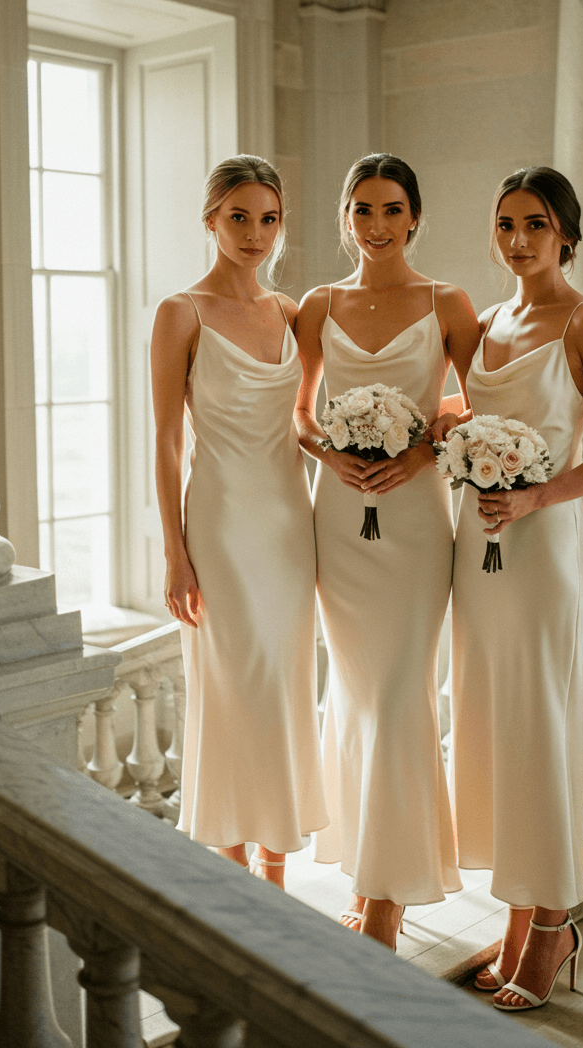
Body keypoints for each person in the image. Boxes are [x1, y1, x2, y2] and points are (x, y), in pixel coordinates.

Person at [441, 166, 583, 1010]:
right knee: (493, 730)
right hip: (474, 552)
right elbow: (460, 410)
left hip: (543, 546)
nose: (518, 240)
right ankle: (520, 916)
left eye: (536, 224)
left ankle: (555, 921)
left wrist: (534, 493)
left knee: (542, 731)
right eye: (506, 224)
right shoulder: (484, 324)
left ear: (566, 234)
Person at [295, 153, 479, 949]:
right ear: (346, 217)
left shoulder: (447, 301)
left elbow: (484, 396)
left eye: (392, 210)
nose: (377, 226)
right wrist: (326, 453)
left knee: (403, 692)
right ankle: (368, 863)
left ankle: (388, 897)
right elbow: (301, 411)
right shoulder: (317, 304)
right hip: (338, 515)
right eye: (363, 210)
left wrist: (423, 446)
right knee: (359, 692)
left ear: (415, 218)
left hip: (412, 520)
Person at [151, 155, 327, 887]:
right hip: (220, 525)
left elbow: (306, 421)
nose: (256, 234)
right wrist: (174, 554)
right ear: (210, 220)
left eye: (269, 219)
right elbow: (166, 439)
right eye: (239, 217)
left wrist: (373, 452)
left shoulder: (290, 313)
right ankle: (230, 871)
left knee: (284, 684)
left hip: (290, 521)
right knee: (232, 685)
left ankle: (277, 867)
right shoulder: (181, 312)